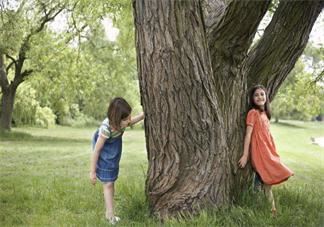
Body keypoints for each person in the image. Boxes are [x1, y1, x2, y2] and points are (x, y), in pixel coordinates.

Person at [238, 85, 293, 216]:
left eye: (262, 94)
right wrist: (245, 155)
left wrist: (273, 151)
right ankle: (263, 208)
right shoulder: (253, 113)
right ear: (252, 98)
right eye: (256, 95)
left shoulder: (265, 114)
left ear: (266, 97)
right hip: (259, 152)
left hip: (267, 151)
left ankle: (270, 209)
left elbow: (267, 135)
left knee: (266, 181)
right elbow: (248, 135)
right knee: (264, 179)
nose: (260, 97)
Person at [89, 97, 144, 224]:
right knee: (108, 184)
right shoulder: (106, 128)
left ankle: (110, 212)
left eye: (129, 117)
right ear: (116, 118)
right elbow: (96, 150)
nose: (129, 121)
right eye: (126, 119)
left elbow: (133, 121)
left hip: (113, 156)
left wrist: (142, 116)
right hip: (104, 155)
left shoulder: (122, 122)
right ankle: (110, 215)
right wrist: (92, 171)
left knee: (111, 182)